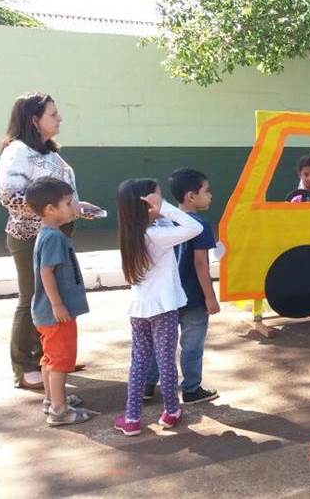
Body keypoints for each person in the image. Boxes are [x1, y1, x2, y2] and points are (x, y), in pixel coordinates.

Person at [0, 92, 103, 390]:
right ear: (34, 119)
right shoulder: (17, 152)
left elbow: (60, 196)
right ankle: (24, 366)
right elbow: (9, 195)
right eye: (53, 114)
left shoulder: (49, 153)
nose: (59, 119)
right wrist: (51, 213)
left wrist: (78, 209)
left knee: (56, 297)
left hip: (57, 235)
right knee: (32, 298)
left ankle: (50, 356)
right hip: (31, 237)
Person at [113, 179, 204, 436]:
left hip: (140, 309)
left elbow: (171, 224)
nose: (162, 202)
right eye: (157, 198)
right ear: (147, 204)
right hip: (163, 308)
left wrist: (159, 211)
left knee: (139, 361)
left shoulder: (134, 231)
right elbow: (194, 226)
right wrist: (164, 207)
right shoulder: (157, 235)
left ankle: (131, 418)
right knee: (165, 360)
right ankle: (172, 411)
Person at [144, 169, 221, 405]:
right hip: (194, 298)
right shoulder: (200, 225)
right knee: (192, 345)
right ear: (191, 196)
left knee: (160, 342)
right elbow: (200, 264)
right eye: (206, 191)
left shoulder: (165, 221)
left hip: (167, 296)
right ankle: (190, 389)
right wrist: (210, 297)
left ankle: (148, 383)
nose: (210, 196)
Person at [26, 178, 92, 426]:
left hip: (46, 313)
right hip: (56, 315)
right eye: (67, 203)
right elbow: (46, 272)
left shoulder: (48, 233)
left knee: (49, 359)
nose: (72, 205)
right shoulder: (54, 238)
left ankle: (51, 399)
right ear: (50, 209)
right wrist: (58, 305)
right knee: (61, 362)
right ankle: (59, 410)